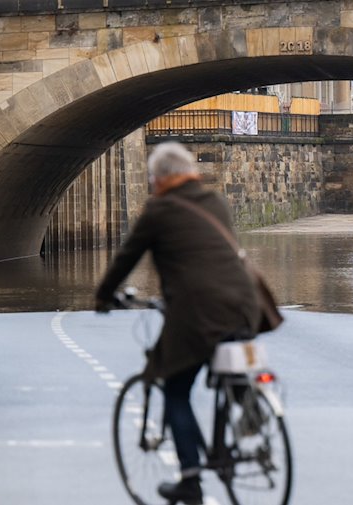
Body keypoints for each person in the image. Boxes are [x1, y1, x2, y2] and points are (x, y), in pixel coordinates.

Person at [95, 141, 260, 505]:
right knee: (229, 365)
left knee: (174, 389)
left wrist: (103, 296)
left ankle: (189, 479)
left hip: (198, 311)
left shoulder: (159, 210)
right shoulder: (215, 202)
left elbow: (126, 258)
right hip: (246, 305)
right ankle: (250, 408)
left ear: (160, 179)